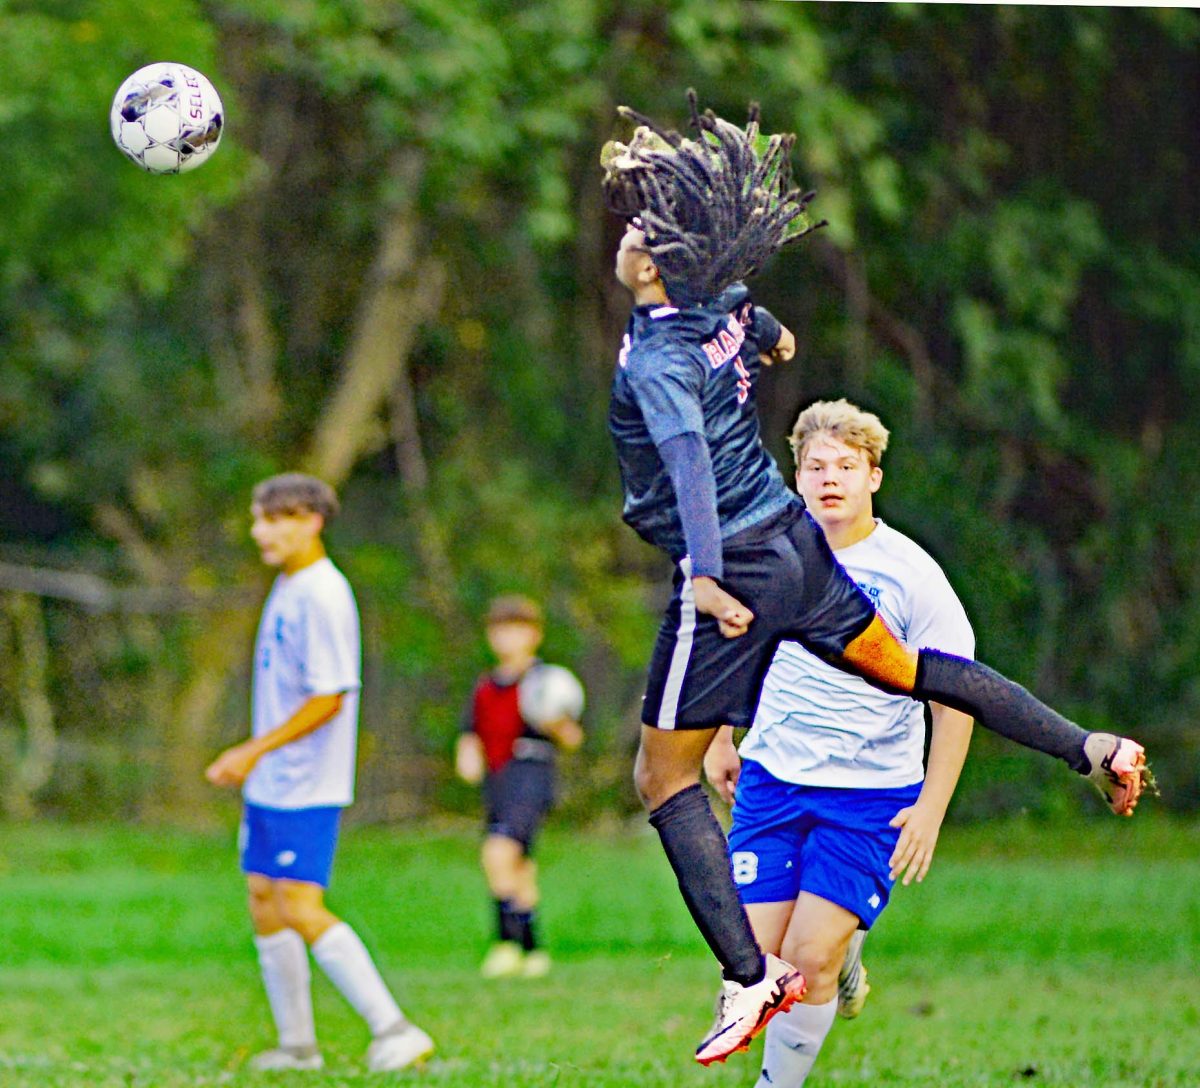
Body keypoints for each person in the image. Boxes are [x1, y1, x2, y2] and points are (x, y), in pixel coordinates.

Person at [600, 93, 1148, 1066]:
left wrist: (707, 580)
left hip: (735, 558)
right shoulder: (717, 305)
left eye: (642, 227)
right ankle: (1088, 745)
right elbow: (770, 330)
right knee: (912, 667)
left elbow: (687, 466)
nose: (631, 233)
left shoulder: (657, 358)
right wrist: (768, 341)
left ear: (653, 261)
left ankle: (746, 974)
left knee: (663, 774)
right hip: (795, 543)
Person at [703, 398, 974, 1086]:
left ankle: (779, 1080)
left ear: (873, 477)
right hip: (771, 782)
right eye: (816, 465)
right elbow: (725, 648)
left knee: (810, 958)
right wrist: (716, 739)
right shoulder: (767, 558)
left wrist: (933, 806)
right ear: (796, 477)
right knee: (755, 967)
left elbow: (960, 696)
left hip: (870, 795)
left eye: (846, 466)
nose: (830, 479)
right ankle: (843, 952)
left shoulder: (912, 574)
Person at [205, 473, 434, 1073]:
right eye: (258, 518)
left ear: (309, 519)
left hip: (305, 781)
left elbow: (330, 696)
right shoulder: (288, 586)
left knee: (303, 905)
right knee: (264, 898)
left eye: (273, 518)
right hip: (273, 782)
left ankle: (396, 1030)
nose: (261, 531)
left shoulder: (324, 594)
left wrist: (253, 749)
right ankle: (299, 1047)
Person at [455, 595, 584, 979]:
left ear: (534, 635)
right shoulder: (486, 685)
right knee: (519, 869)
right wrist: (468, 753)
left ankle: (506, 943)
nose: (506, 638)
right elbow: (470, 730)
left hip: (531, 775)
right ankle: (533, 951)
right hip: (498, 780)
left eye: (516, 630)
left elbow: (572, 736)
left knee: (497, 854)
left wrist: (557, 725)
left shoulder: (545, 682)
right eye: (499, 630)